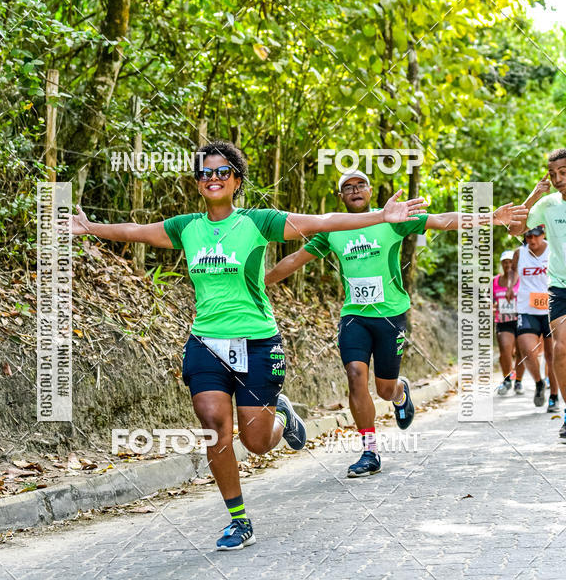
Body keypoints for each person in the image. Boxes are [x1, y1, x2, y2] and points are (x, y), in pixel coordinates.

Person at [68, 142, 429, 549]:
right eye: (206, 173)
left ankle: (283, 417)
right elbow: (136, 232)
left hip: (258, 341)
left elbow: (321, 220)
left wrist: (380, 216)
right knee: (213, 426)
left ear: (237, 180)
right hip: (206, 341)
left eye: (223, 172)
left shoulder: (258, 222)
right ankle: (238, 521)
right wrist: (91, 228)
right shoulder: (187, 227)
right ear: (198, 183)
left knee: (256, 443)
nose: (214, 179)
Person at [266, 170, 527, 478]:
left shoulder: (394, 218)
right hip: (355, 315)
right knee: (354, 375)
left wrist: (491, 217)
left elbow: (442, 220)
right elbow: (294, 260)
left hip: (391, 317)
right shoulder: (331, 230)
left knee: (385, 389)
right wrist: (259, 283)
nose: (354, 190)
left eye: (360, 184)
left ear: (369, 189)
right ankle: (369, 450)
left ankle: (401, 392)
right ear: (341, 197)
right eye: (347, 187)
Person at [509, 151, 566, 439]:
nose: (557, 180)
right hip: (560, 286)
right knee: (560, 349)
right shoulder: (548, 204)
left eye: (563, 173)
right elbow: (513, 229)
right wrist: (532, 196)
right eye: (553, 174)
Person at [506, 226, 558, 411]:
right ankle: (539, 383)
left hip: (552, 308)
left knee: (552, 355)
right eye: (528, 237)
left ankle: (553, 397)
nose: (531, 241)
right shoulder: (519, 253)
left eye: (535, 236)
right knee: (527, 350)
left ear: (543, 234)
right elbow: (512, 270)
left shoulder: (554, 249)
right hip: (527, 308)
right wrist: (511, 286)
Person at [493, 250, 524, 396]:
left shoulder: (522, 279)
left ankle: (518, 380)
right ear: (501, 264)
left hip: (521, 319)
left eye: (510, 261)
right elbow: (489, 299)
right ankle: (506, 380)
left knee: (520, 351)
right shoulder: (495, 281)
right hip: (503, 320)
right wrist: (491, 305)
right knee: (505, 349)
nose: (508, 264)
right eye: (505, 262)